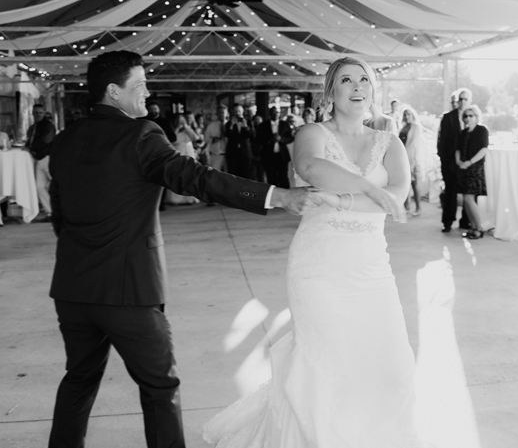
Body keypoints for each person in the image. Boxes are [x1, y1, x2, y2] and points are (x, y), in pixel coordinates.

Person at [45, 50, 320, 448]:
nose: (147, 93)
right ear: (112, 91)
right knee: (160, 387)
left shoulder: (65, 140)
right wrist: (276, 196)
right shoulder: (140, 134)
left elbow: (59, 215)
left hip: (72, 289)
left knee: (78, 380)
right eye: (138, 85)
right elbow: (197, 177)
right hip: (129, 292)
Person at [204, 56, 425, 447]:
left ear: (373, 90)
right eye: (346, 80)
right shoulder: (313, 132)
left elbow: (398, 198)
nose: (357, 87)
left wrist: (342, 199)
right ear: (331, 91)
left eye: (364, 80)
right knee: (328, 367)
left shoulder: (390, 143)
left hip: (372, 270)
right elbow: (311, 167)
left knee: (392, 366)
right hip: (319, 268)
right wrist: (370, 189)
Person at [437, 87, 472, 232]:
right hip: (450, 162)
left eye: (465, 99)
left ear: (469, 101)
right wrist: (444, 159)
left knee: (469, 194)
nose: (463, 102)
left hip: (468, 163)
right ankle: (448, 222)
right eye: (460, 99)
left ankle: (466, 221)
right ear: (456, 101)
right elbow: (441, 140)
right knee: (450, 193)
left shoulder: (473, 116)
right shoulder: (448, 117)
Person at [455, 104, 489, 239]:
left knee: (469, 198)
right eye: (466, 116)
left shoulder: (482, 130)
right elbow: (457, 149)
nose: (468, 118)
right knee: (465, 199)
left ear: (476, 117)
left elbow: (483, 150)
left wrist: (470, 162)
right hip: (463, 168)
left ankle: (479, 228)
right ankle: (473, 227)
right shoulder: (463, 133)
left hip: (475, 168)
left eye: (471, 116)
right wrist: (458, 161)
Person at [26, 103, 56, 222]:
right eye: (35, 112)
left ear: (44, 113)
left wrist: (31, 148)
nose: (38, 115)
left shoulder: (48, 126)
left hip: (47, 158)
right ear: (32, 114)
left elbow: (46, 142)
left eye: (40, 112)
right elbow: (30, 140)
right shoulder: (33, 127)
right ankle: (50, 212)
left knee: (55, 186)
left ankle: (62, 211)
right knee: (40, 187)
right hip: (38, 159)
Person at [164, 113, 200, 205]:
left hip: (189, 152)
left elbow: (195, 137)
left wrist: (187, 127)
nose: (181, 122)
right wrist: (177, 128)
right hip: (179, 152)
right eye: (178, 120)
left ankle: (189, 198)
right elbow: (172, 140)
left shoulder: (187, 129)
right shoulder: (172, 130)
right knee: (178, 176)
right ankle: (176, 199)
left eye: (182, 120)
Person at [399, 105, 427, 217]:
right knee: (405, 183)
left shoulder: (416, 127)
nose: (406, 116)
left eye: (408, 114)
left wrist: (410, 162)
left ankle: (418, 207)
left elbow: (413, 145)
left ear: (412, 115)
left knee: (415, 184)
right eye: (405, 115)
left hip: (412, 159)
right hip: (403, 158)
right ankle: (406, 206)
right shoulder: (403, 127)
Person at [256, 106, 293, 188]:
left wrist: (281, 139)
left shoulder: (284, 124)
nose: (275, 114)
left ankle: (286, 196)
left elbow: (290, 138)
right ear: (269, 114)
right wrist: (270, 140)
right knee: (271, 178)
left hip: (282, 156)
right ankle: (273, 197)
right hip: (268, 156)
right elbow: (258, 139)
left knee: (283, 177)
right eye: (273, 112)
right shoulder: (263, 125)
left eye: (277, 112)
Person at [225, 103, 254, 180]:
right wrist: (231, 125)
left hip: (245, 152)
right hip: (233, 152)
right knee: (233, 174)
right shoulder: (228, 123)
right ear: (232, 112)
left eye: (239, 111)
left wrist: (246, 127)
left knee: (246, 174)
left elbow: (252, 135)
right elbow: (227, 135)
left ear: (242, 111)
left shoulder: (248, 122)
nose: (237, 113)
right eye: (235, 111)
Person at [204, 105, 228, 172]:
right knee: (215, 175)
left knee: (228, 176)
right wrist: (212, 140)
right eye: (219, 112)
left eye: (223, 112)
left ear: (226, 113)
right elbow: (205, 138)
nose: (221, 114)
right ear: (217, 114)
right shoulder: (211, 125)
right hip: (216, 155)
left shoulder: (230, 125)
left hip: (228, 155)